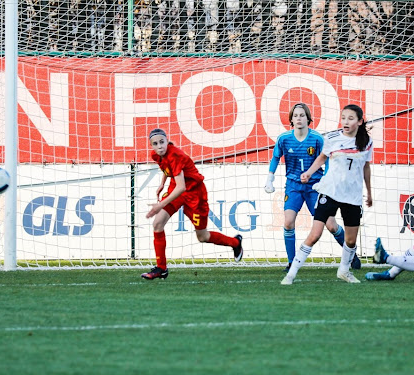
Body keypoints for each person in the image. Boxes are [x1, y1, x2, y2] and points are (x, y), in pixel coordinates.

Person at [281, 104, 373, 285]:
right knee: (315, 234)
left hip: (352, 197)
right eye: (343, 117)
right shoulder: (331, 138)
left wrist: (369, 192)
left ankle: (344, 271)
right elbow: (322, 157)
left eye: (350, 118)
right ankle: (291, 274)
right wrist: (308, 172)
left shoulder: (366, 142)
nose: (346, 122)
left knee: (351, 240)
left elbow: (366, 167)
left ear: (360, 122)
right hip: (329, 192)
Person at [264, 103, 360, 270]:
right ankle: (292, 262)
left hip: (315, 187)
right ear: (291, 120)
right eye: (295, 116)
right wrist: (269, 179)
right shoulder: (284, 139)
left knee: (331, 225)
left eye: (302, 115)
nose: (299, 118)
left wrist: (323, 180)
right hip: (293, 186)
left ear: (308, 118)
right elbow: (275, 158)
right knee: (288, 222)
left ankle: (351, 255)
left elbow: (327, 159)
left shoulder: (317, 138)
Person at [142, 128, 244, 279]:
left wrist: (160, 204)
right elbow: (167, 169)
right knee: (157, 224)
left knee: (202, 237)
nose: (159, 146)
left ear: (167, 140)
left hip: (195, 193)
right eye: (155, 144)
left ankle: (235, 243)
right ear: (151, 146)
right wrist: (162, 183)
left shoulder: (175, 154)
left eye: (162, 142)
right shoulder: (156, 155)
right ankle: (161, 269)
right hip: (175, 189)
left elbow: (182, 186)